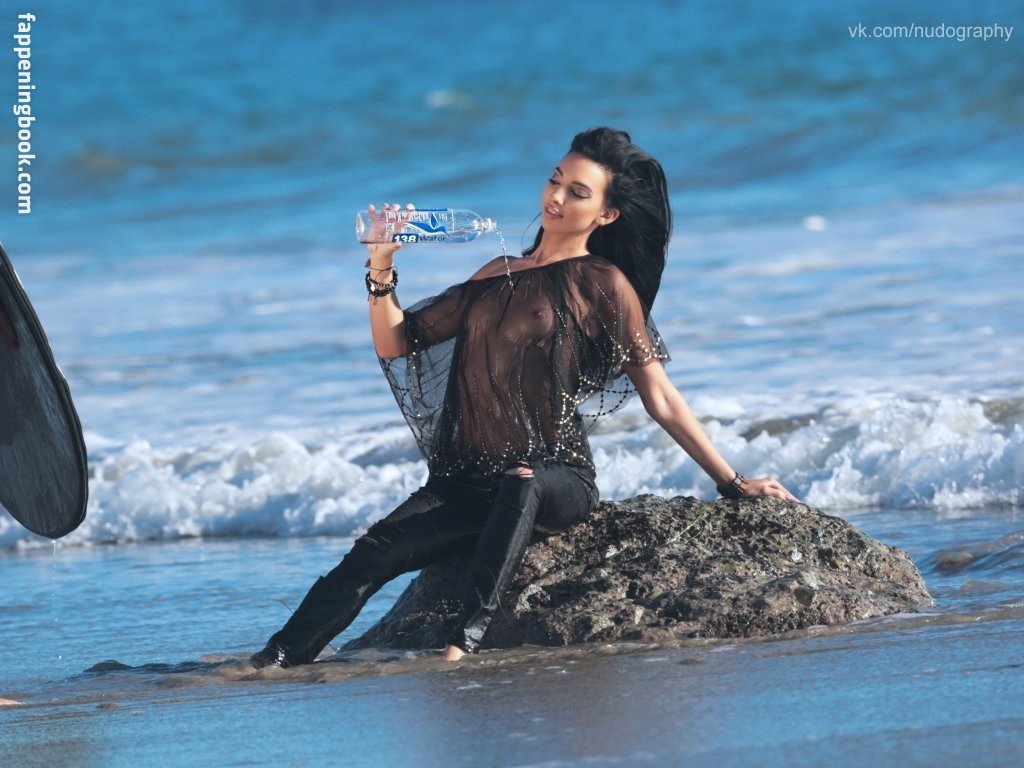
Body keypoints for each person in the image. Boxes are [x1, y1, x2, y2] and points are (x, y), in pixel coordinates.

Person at [248, 127, 799, 669]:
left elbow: (659, 395)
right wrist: (381, 266)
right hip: (467, 484)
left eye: (577, 192)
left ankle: (463, 646)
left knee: (523, 479)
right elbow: (398, 341)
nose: (556, 197)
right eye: (555, 180)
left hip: (556, 477)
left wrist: (732, 482)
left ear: (607, 214)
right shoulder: (497, 273)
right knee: (371, 553)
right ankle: (272, 659)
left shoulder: (602, 283)